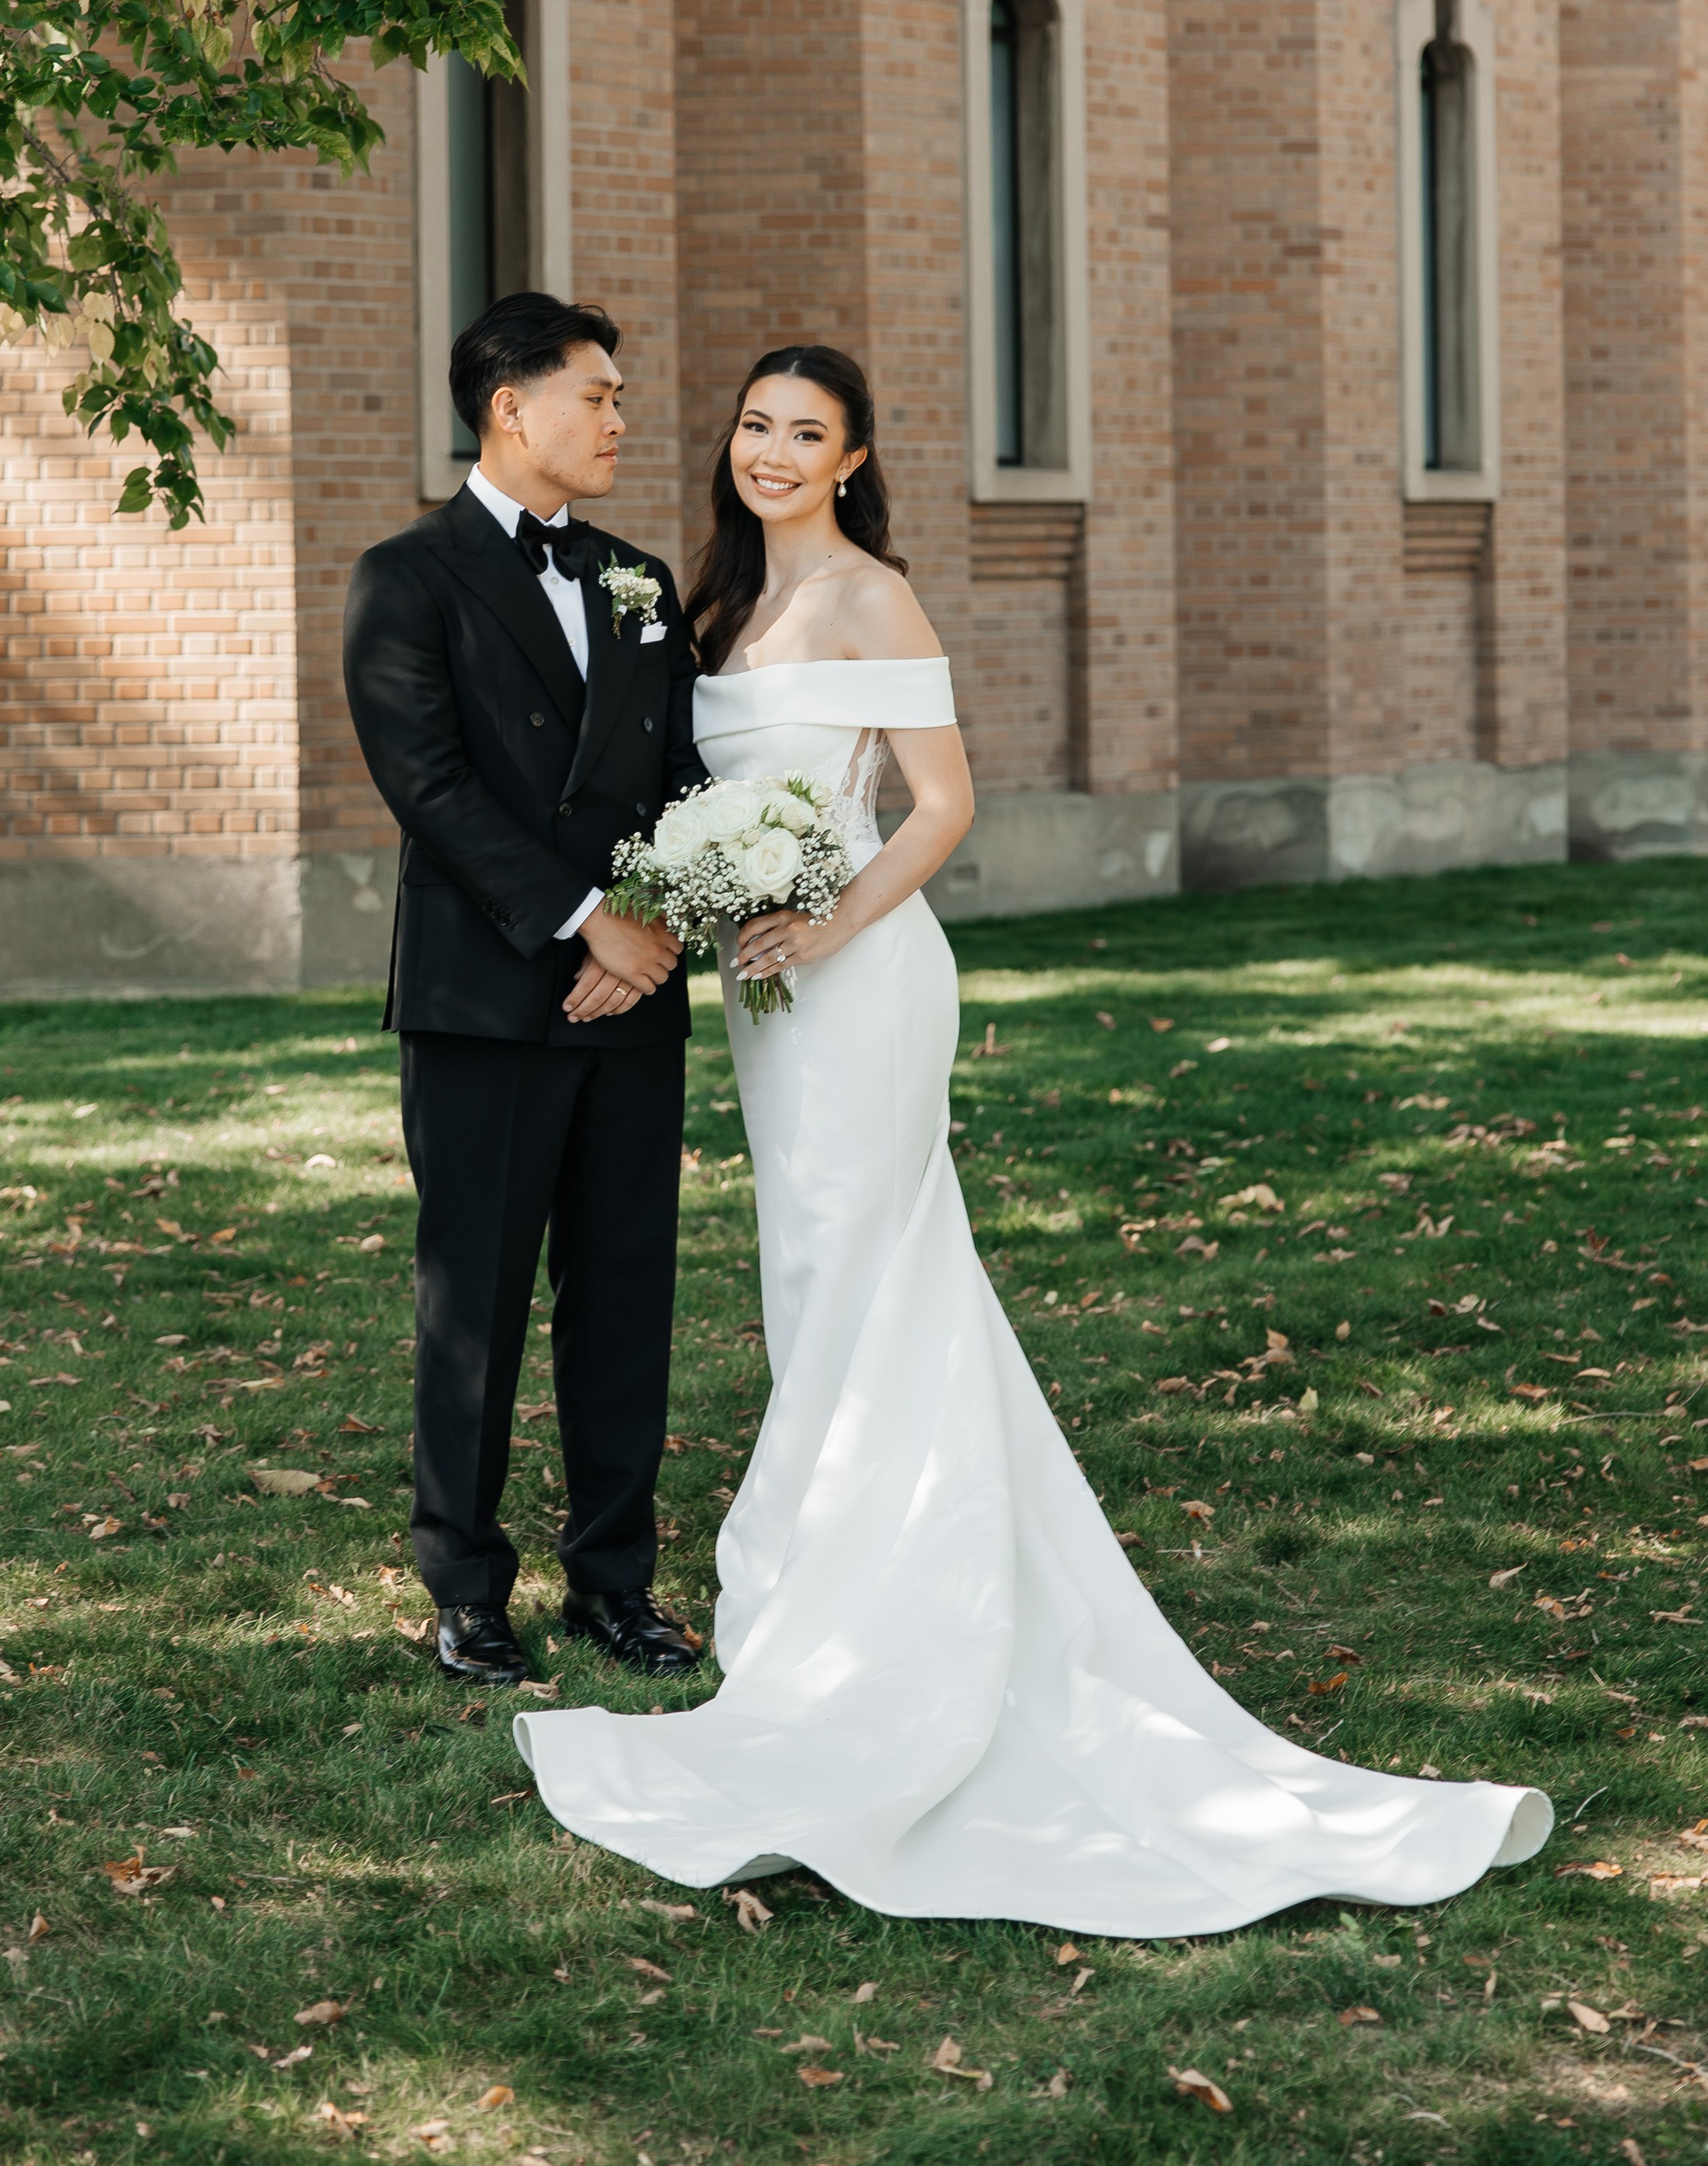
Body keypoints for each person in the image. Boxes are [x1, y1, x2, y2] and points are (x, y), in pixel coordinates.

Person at [515, 343, 1553, 1931]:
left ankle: (871, 1624)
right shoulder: (711, 611)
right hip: (765, 1004)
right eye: (752, 426)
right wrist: (710, 904)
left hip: (856, 987)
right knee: (814, 1280)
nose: (770, 452)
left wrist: (826, 928)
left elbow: (939, 804)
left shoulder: (871, 598)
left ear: (853, 459)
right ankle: (824, 1591)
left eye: (805, 433)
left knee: (871, 1268)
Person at [342, 294, 710, 1688]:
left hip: (637, 1007)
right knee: (476, 1302)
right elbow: (428, 788)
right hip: (485, 1001)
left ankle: (615, 1582)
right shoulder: (406, 579)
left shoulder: (640, 580)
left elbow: (679, 782)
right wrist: (582, 929)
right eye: (598, 395)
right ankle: (465, 1588)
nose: (620, 420)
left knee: (624, 1298)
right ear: (511, 405)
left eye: (619, 398)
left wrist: (654, 926)